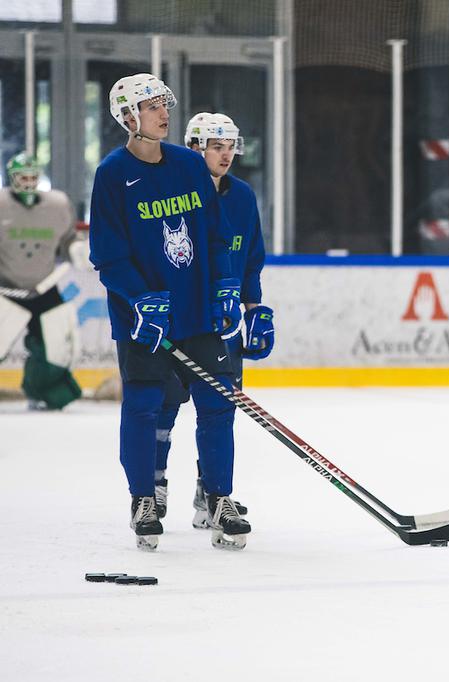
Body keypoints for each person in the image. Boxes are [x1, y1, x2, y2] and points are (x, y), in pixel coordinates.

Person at [89, 73, 249, 551]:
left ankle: (219, 499)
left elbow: (216, 234)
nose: (164, 113)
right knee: (142, 406)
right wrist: (140, 299)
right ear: (128, 116)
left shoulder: (187, 164)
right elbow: (108, 255)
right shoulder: (113, 174)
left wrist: (225, 284)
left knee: (218, 406)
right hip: (143, 319)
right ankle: (143, 499)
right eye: (153, 105)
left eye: (164, 105)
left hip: (197, 311)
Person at [153, 112, 273, 529]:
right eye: (215, 147)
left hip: (223, 327)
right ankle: (153, 488)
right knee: (164, 406)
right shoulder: (173, 194)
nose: (226, 155)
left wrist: (254, 307)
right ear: (194, 149)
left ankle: (212, 495)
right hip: (177, 324)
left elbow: (250, 260)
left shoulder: (242, 197)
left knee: (220, 410)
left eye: (230, 147)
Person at [0, 152, 84, 410]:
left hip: (44, 287)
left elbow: (68, 237)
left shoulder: (57, 204)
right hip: (6, 287)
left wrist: (76, 248)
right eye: (22, 176)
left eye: (31, 176)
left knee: (59, 348)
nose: (27, 182)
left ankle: (44, 391)